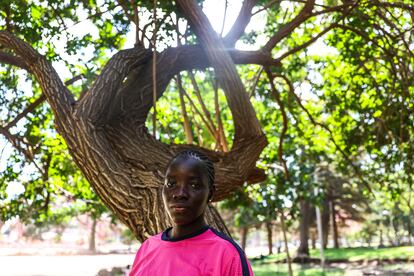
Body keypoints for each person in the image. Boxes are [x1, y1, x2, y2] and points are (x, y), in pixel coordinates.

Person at [129, 150, 254, 276]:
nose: (180, 194)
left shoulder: (227, 255)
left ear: (210, 193)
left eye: (194, 185)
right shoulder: (147, 249)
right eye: (171, 184)